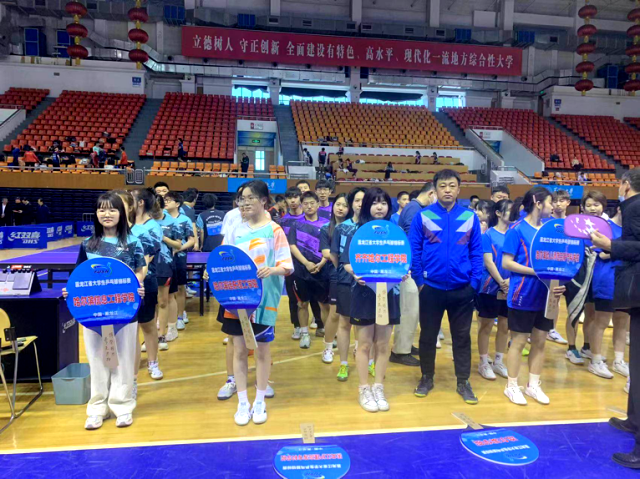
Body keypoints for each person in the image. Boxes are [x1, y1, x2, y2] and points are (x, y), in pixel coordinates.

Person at [63, 192, 145, 430]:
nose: (106, 214)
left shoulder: (133, 242)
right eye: (101, 209)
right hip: (92, 313)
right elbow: (79, 275)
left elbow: (140, 270)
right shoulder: (87, 244)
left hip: (125, 311)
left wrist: (137, 285)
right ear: (96, 214)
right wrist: (71, 291)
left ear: (122, 213)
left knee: (124, 360)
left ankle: (123, 406)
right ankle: (97, 408)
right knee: (97, 360)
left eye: (112, 209)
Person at [223, 180, 293, 426]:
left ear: (264, 200)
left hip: (264, 300)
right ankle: (243, 402)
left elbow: (287, 265)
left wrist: (271, 270)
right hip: (237, 298)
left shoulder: (275, 230)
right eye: (242, 198)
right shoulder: (236, 230)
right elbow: (224, 258)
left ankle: (260, 400)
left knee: (262, 350)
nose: (245, 203)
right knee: (239, 350)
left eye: (250, 198)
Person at [410, 169, 483, 404]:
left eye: (452, 186)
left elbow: (477, 252)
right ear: (435, 190)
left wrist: (474, 283)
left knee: (462, 337)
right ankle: (426, 377)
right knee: (428, 336)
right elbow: (414, 251)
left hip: (462, 289)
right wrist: (420, 282)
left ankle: (463, 381)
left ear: (459, 189)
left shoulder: (470, 217)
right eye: (443, 186)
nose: (447, 190)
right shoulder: (423, 216)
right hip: (430, 288)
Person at [590, 170, 640, 468]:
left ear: (625, 184)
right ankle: (634, 421)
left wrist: (611, 245)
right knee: (636, 365)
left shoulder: (635, 206)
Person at [343, 188, 406, 412]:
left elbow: (402, 261)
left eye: (384, 203)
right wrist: (355, 274)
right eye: (374, 203)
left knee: (382, 344)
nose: (379, 207)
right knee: (364, 344)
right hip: (363, 294)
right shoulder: (356, 232)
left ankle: (378, 386)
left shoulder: (396, 231)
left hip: (389, 295)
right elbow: (346, 262)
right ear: (367, 206)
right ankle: (364, 388)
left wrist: (403, 273)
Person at [502, 186, 565, 405]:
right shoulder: (516, 229)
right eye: (550, 202)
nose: (553, 206)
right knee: (519, 341)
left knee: (540, 341)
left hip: (547, 294)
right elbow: (507, 263)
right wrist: (536, 272)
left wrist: (560, 282)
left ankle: (533, 385)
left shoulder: (551, 229)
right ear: (538, 203)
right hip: (523, 292)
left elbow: (559, 261)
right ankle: (511, 386)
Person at [581, 191, 628, 379]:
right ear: (620, 209)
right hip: (606, 279)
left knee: (622, 321)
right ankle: (595, 360)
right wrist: (623, 251)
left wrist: (617, 250)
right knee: (601, 321)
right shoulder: (603, 227)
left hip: (626, 279)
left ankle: (619, 360)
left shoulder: (632, 230)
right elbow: (601, 253)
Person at [390, 183, 438, 367]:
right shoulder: (414, 209)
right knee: (407, 310)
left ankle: (406, 345)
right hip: (408, 269)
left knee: (412, 311)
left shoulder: (415, 208)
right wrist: (411, 268)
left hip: (411, 268)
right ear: (432, 193)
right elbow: (411, 242)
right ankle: (400, 351)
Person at [131, 189, 168, 381]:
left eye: (131, 197)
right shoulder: (124, 225)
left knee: (147, 325)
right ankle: (131, 369)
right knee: (130, 329)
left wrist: (137, 278)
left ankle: (153, 362)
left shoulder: (152, 227)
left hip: (146, 282)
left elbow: (147, 257)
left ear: (140, 202)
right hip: (124, 285)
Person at [331, 187, 367, 381]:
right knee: (344, 322)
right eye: (357, 200)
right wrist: (347, 270)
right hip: (345, 281)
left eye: (364, 200)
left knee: (367, 324)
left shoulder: (373, 227)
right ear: (351, 204)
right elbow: (335, 256)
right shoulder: (341, 228)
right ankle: (343, 364)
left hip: (368, 283)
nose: (360, 204)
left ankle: (368, 361)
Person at [289, 191, 330, 349]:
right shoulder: (295, 224)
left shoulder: (326, 225)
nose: (309, 206)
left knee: (324, 305)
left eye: (312, 203)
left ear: (318, 204)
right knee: (302, 303)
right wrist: (306, 263)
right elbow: (292, 246)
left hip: (322, 270)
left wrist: (321, 263)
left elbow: (330, 247)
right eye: (305, 203)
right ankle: (305, 334)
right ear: (302, 205)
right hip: (301, 270)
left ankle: (328, 334)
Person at [476, 199, 513, 381]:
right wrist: (501, 281)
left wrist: (510, 281)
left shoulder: (514, 234)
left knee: (505, 325)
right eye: (509, 210)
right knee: (486, 325)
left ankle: (498, 361)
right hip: (490, 286)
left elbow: (518, 259)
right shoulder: (488, 235)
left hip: (510, 286)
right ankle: (483, 362)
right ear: (498, 213)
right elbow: (488, 261)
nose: (513, 214)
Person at [320, 193, 349, 364]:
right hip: (335, 275)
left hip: (353, 276)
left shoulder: (355, 227)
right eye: (338, 204)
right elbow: (326, 253)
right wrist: (344, 260)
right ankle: (328, 347)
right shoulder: (326, 228)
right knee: (334, 314)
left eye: (345, 205)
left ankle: (357, 346)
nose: (341, 208)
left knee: (354, 315)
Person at [164, 192, 195, 334]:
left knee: (181, 287)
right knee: (167, 290)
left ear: (177, 204)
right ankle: (167, 318)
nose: (166, 202)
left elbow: (191, 240)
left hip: (180, 257)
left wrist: (178, 249)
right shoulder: (160, 218)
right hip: (163, 259)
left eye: (169, 200)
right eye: (165, 200)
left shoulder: (185, 219)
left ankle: (180, 316)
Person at [546, 189, 571, 345]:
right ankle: (535, 330)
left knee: (557, 298)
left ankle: (552, 330)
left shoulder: (572, 224)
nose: (558, 204)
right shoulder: (545, 222)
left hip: (565, 267)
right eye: (554, 201)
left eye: (561, 201)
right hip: (546, 265)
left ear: (568, 202)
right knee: (543, 297)